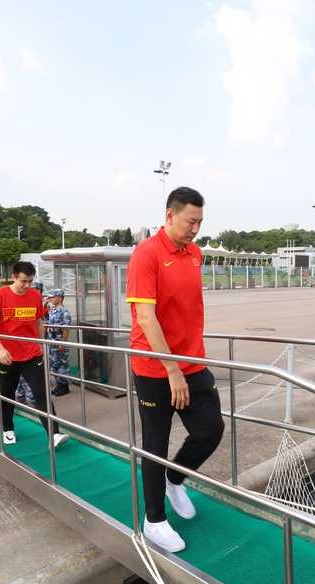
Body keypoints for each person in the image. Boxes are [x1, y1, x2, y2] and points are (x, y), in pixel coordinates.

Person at [125, 186, 224, 553]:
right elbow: (146, 318)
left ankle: (175, 478)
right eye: (189, 222)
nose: (195, 229)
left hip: (192, 361)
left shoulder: (194, 253)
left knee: (211, 429)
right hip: (155, 366)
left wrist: (184, 365)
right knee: (156, 442)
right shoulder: (146, 254)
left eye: (200, 222)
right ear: (169, 215)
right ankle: (154, 520)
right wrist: (171, 369)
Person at [0, 261, 68, 447]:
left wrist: (41, 343)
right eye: (23, 281)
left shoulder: (35, 295)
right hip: (7, 355)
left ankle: (54, 434)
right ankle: (7, 429)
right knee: (7, 394)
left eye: (30, 281)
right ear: (13, 277)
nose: (27, 285)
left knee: (42, 394)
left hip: (32, 354)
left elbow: (38, 321)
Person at [44, 289, 72, 396]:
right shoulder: (53, 310)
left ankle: (64, 386)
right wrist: (45, 303)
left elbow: (66, 328)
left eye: (53, 297)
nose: (50, 299)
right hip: (52, 342)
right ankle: (59, 384)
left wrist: (62, 343)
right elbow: (46, 320)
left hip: (60, 341)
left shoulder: (64, 311)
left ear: (60, 298)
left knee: (62, 364)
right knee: (54, 363)